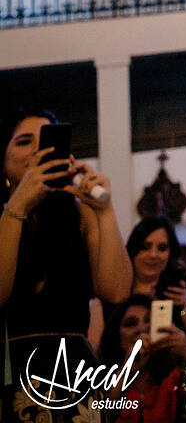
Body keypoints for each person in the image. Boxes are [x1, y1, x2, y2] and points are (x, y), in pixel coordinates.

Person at [1, 106, 131, 420]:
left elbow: (115, 291)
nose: (36, 149)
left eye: (45, 139)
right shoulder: (3, 219)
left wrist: (104, 211)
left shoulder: (78, 213)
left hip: (76, 377)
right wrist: (17, 205)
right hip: (14, 375)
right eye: (23, 141)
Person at [124, 217, 186, 357]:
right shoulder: (116, 289)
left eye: (162, 248)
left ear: (170, 253)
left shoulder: (183, 287)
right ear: (134, 249)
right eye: (145, 247)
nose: (153, 254)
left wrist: (184, 307)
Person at [97, 294, 186, 423]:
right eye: (130, 324)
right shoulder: (102, 378)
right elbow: (98, 415)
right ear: (116, 336)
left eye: (148, 321)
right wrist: (127, 370)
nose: (141, 329)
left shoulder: (174, 378)